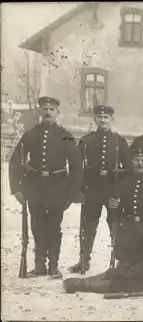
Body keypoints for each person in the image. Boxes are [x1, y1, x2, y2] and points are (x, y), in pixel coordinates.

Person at [8, 96, 83, 278]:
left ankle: (53, 266)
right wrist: (16, 189)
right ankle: (39, 265)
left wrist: (72, 192)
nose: (48, 112)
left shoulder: (66, 136)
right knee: (37, 226)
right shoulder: (30, 135)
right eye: (45, 109)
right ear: (39, 112)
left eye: (52, 109)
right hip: (34, 186)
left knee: (54, 227)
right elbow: (15, 162)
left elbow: (76, 166)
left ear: (57, 113)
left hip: (58, 187)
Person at [68, 105, 131, 273]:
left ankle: (120, 261)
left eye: (106, 118)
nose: (103, 120)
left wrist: (120, 193)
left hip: (112, 190)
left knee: (116, 226)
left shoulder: (119, 141)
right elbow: (76, 167)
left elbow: (129, 169)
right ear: (95, 119)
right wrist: (78, 190)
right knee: (87, 226)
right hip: (91, 190)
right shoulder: (86, 140)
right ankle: (84, 260)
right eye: (99, 117)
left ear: (111, 120)